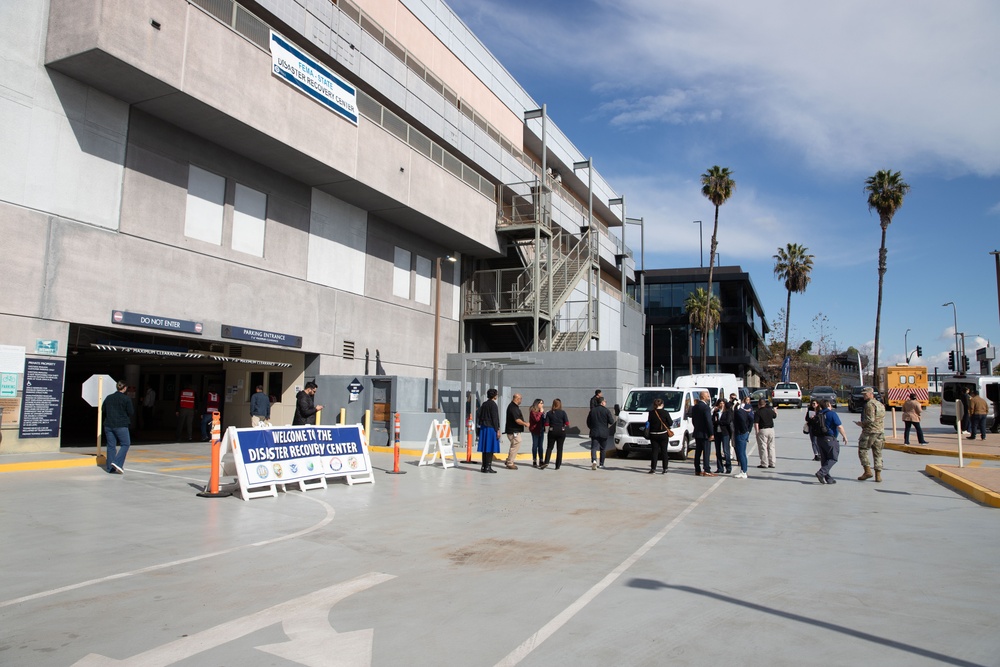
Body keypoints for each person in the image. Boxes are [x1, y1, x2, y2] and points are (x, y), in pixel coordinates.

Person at [813, 399, 848, 484]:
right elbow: (839, 426)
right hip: (829, 439)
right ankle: (821, 473)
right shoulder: (832, 414)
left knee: (824, 459)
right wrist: (845, 436)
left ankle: (828, 479)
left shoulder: (819, 414)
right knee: (833, 458)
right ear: (828, 405)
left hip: (819, 439)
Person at [855, 386, 886, 482]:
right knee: (878, 452)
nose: (863, 396)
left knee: (863, 450)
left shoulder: (869, 404)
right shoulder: (880, 404)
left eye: (865, 394)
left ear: (871, 394)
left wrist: (861, 424)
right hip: (880, 431)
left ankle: (867, 471)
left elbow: (870, 419)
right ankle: (878, 475)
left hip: (870, 431)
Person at [103, 381, 134, 475]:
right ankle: (117, 463)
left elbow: (103, 409)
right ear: (124, 388)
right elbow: (131, 412)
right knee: (125, 444)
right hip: (121, 425)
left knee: (111, 446)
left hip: (108, 425)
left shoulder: (108, 397)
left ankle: (110, 468)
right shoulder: (126, 399)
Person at [587, 396, 615, 470]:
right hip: (604, 432)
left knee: (594, 448)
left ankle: (594, 460)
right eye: (605, 401)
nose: (606, 403)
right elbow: (611, 421)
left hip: (594, 432)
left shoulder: (592, 410)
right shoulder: (606, 411)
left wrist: (592, 428)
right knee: (602, 449)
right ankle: (601, 464)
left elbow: (588, 422)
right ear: (602, 402)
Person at [691, 391, 715, 477]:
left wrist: (697, 427)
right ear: (703, 397)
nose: (709, 397)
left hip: (697, 432)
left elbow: (693, 420)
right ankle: (707, 470)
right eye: (708, 396)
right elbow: (708, 421)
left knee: (698, 452)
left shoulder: (695, 407)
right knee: (706, 452)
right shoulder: (705, 407)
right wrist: (711, 433)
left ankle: (697, 469)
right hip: (705, 433)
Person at [540, 398, 569, 470]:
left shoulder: (549, 413)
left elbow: (546, 424)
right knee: (559, 449)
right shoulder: (563, 412)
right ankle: (557, 465)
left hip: (552, 431)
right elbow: (567, 423)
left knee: (549, 447)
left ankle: (546, 461)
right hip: (561, 431)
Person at [477, 388, 501, 473]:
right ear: (494, 395)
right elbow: (495, 418)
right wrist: (497, 429)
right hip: (491, 428)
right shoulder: (493, 405)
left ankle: (484, 466)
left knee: (485, 448)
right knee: (490, 448)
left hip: (484, 427)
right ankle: (488, 467)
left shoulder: (484, 404)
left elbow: (479, 414)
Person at [646, 397, 672, 474]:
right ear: (662, 404)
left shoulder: (651, 413)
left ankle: (653, 468)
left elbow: (649, 422)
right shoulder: (665, 412)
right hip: (663, 434)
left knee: (654, 452)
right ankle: (665, 468)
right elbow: (670, 423)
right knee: (664, 451)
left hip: (653, 434)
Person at [504, 393, 528, 469]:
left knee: (513, 445)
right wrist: (525, 424)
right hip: (513, 431)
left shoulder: (513, 406)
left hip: (513, 430)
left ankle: (508, 460)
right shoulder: (513, 408)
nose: (521, 400)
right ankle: (510, 463)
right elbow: (517, 420)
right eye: (520, 399)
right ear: (517, 399)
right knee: (516, 444)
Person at [754, 398, 778, 469]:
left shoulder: (758, 412)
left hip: (763, 430)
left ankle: (764, 463)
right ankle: (772, 462)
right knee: (771, 446)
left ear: (759, 404)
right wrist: (775, 410)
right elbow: (775, 416)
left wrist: (757, 432)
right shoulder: (769, 410)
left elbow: (756, 423)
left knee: (763, 447)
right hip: (771, 429)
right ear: (765, 404)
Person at [732, 399, 753, 478]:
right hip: (744, 433)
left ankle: (743, 471)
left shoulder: (738, 412)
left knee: (741, 453)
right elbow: (751, 419)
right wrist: (748, 430)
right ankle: (744, 470)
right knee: (743, 453)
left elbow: (742, 421)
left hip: (740, 434)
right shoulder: (744, 411)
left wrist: (744, 430)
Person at [712, 398, 733, 474]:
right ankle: (720, 467)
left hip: (725, 433)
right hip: (717, 433)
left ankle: (728, 467)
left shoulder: (727, 412)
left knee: (726, 451)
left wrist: (718, 422)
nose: (721, 405)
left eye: (723, 403)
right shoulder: (716, 412)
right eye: (720, 403)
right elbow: (713, 421)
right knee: (718, 451)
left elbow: (727, 422)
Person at [528, 398, 546, 467]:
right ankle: (534, 460)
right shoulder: (533, 411)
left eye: (542, 403)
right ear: (537, 404)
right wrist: (541, 412)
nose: (542, 404)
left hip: (541, 430)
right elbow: (536, 419)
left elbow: (543, 420)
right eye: (541, 403)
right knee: (535, 445)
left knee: (540, 446)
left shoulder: (541, 411)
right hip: (535, 430)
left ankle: (541, 460)